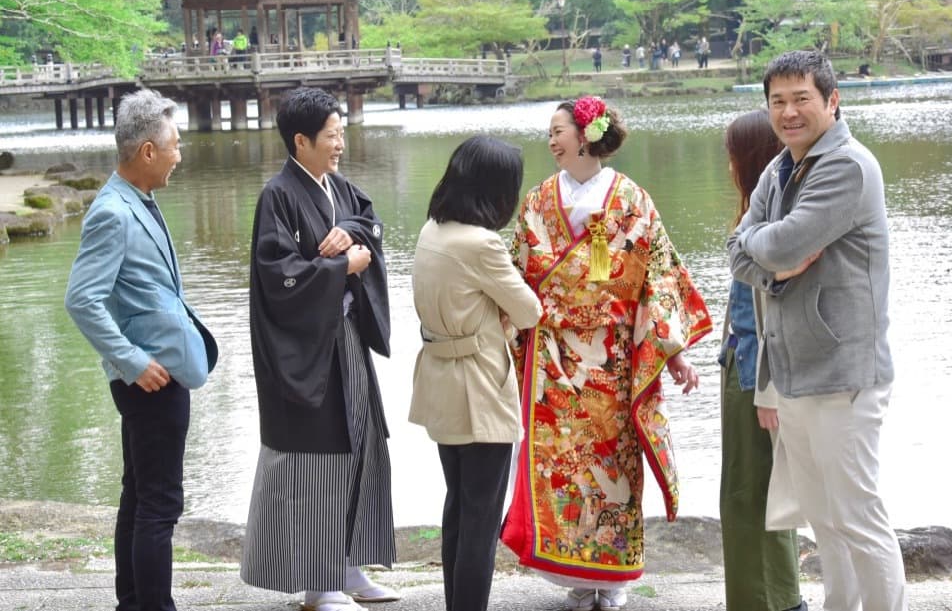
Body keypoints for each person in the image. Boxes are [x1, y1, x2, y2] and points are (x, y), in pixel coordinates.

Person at [501, 96, 712, 611]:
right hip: (553, 359)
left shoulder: (630, 199)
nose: (551, 141)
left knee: (613, 468)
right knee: (562, 466)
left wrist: (672, 350)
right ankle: (575, 574)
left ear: (587, 135)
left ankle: (612, 579)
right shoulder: (538, 200)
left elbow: (657, 275)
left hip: (612, 360)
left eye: (559, 131)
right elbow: (515, 273)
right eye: (548, 132)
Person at [727, 50, 907, 611]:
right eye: (777, 101)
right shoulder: (778, 168)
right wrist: (772, 259)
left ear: (832, 100)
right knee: (825, 521)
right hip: (793, 374)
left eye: (802, 98)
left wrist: (768, 250)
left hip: (844, 374)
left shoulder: (846, 165)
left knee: (858, 516)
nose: (789, 112)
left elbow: (778, 243)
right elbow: (738, 250)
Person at [241, 87, 399, 611]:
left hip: (347, 345)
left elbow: (369, 222)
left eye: (341, 133)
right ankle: (318, 583)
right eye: (332, 136)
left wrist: (350, 233)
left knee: (360, 449)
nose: (340, 143)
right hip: (306, 354)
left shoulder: (338, 188)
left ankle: (349, 565)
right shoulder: (279, 196)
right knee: (317, 464)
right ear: (301, 140)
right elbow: (279, 278)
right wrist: (342, 267)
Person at [65, 89, 219, 611]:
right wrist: (131, 361)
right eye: (174, 145)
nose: (181, 154)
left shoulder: (138, 200)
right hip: (150, 378)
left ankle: (131, 603)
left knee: (138, 498)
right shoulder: (112, 211)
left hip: (160, 372)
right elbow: (82, 299)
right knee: (159, 506)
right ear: (148, 151)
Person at [410, 136, 543, 611]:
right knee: (482, 515)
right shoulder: (482, 244)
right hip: (480, 387)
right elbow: (529, 311)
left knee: (459, 505)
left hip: (441, 379)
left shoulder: (433, 230)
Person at [719, 110, 805, 611]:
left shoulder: (769, 219)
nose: (726, 164)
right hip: (744, 366)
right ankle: (771, 598)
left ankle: (769, 601)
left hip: (755, 375)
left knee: (754, 497)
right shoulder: (764, 212)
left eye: (731, 154)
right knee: (756, 495)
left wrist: (763, 390)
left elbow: (765, 314)